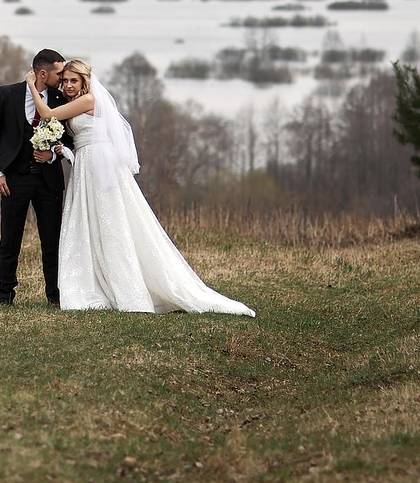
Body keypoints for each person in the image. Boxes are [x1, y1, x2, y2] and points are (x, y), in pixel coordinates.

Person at [29, 59, 255, 315]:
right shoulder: (75, 103)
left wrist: (31, 85)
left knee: (112, 219)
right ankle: (96, 281)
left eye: (74, 80)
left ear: (85, 81)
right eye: (66, 80)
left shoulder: (89, 100)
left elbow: (47, 114)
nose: (69, 85)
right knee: (91, 220)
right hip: (85, 163)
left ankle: (130, 287)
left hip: (98, 163)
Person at [0, 49, 73, 306]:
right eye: (59, 73)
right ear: (43, 73)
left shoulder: (60, 98)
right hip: (13, 180)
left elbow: (69, 140)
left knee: (51, 239)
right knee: (10, 238)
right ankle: (5, 295)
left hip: (49, 181)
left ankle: (55, 296)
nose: (63, 77)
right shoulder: (8, 94)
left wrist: (54, 157)